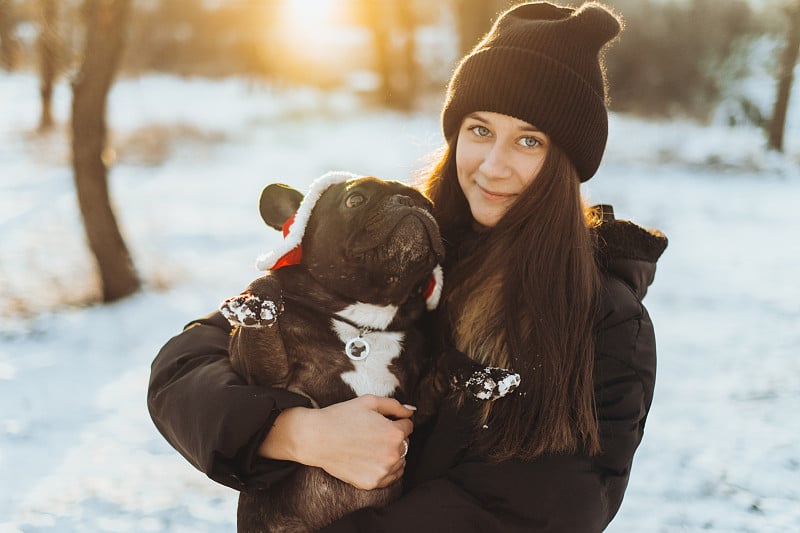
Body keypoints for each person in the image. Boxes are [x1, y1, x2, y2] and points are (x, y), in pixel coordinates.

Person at [147, 2, 668, 531]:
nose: (493, 165)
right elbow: (182, 370)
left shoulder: (603, 320)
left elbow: (534, 509)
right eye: (479, 130)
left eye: (528, 141)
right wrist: (296, 431)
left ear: (566, 165)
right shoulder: (397, 254)